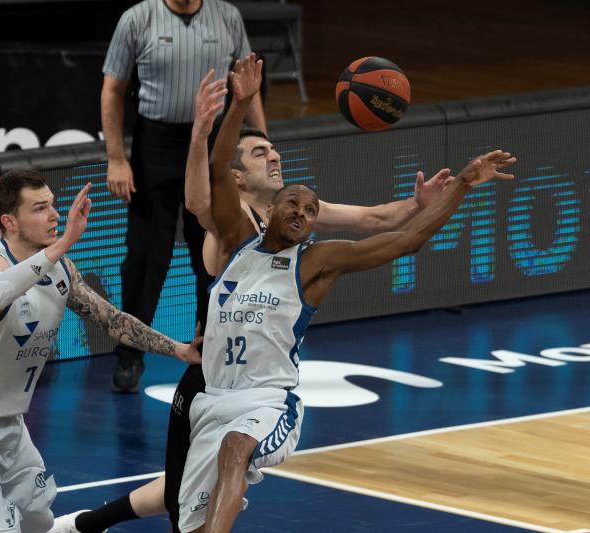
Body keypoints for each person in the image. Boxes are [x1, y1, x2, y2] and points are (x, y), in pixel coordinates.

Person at [53, 66, 457, 532]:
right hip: (207, 379)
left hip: (254, 388)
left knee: (206, 480)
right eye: (261, 152)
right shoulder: (235, 223)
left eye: (274, 148)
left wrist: (422, 204)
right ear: (240, 178)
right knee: (182, 495)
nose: (275, 156)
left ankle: (85, 525)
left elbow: (372, 221)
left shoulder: (293, 213)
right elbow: (198, 194)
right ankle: (85, 524)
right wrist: (206, 129)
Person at [176, 54, 515, 533]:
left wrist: (462, 184)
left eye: (312, 210)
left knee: (236, 452)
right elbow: (216, 167)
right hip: (212, 398)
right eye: (293, 202)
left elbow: (405, 240)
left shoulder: (318, 260)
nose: (302, 212)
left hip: (267, 401)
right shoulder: (235, 241)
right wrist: (242, 102)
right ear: (270, 210)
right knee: (187, 521)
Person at [0, 170, 201, 533]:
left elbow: (111, 320)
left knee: (41, 522)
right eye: (39, 208)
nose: (54, 215)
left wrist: (177, 350)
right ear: (9, 221)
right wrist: (63, 243)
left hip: (10, 428)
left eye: (53, 204)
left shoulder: (61, 270)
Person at [101, 0, 266, 393]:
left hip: (213, 142)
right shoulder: (137, 18)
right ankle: (130, 355)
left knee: (212, 253)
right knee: (145, 258)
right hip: (155, 143)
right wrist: (115, 157)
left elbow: (248, 86)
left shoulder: (227, 16)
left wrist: (260, 139)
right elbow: (112, 90)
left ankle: (211, 351)